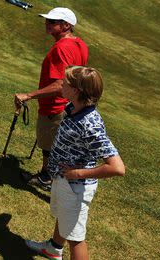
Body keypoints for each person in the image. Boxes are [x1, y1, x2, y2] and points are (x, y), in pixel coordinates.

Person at [25, 66, 124, 260]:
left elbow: (117, 167)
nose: (61, 85)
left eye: (65, 83)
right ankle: (53, 249)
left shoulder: (90, 123)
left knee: (76, 238)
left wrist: (78, 173)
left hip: (75, 187)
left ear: (76, 91)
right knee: (65, 220)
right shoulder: (73, 108)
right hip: (64, 181)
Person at [14, 7, 89, 191]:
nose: (47, 23)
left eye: (52, 21)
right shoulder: (80, 44)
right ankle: (47, 175)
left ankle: (47, 178)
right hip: (72, 104)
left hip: (56, 106)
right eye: (47, 20)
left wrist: (29, 95)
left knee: (50, 145)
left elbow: (59, 85)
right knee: (55, 144)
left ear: (66, 26)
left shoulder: (61, 48)